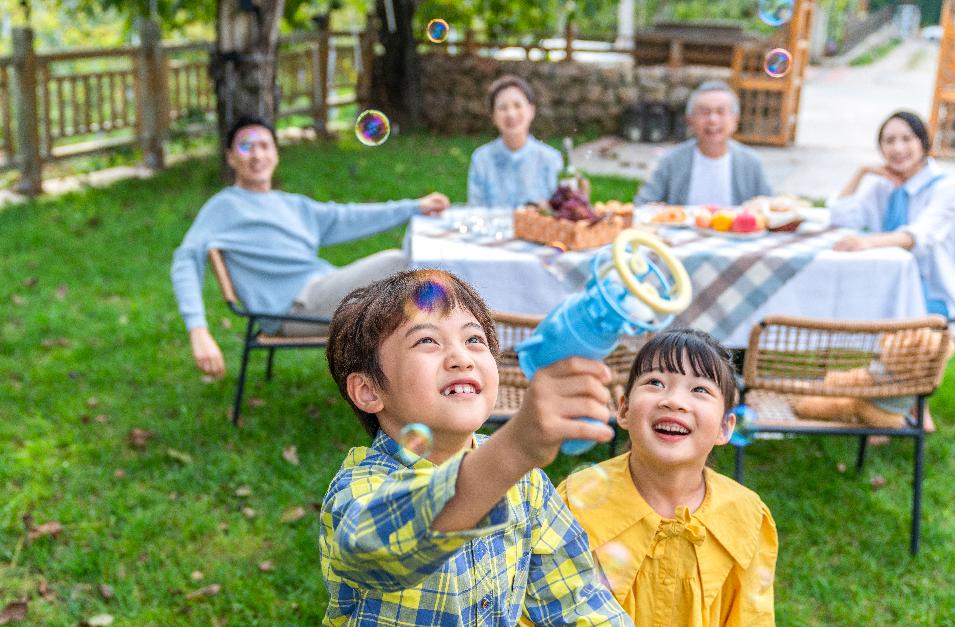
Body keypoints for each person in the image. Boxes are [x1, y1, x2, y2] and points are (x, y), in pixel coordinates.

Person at [318, 268, 630, 626]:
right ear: (370, 391)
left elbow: (576, 601)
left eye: (474, 340)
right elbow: (380, 549)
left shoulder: (525, 483)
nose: (461, 358)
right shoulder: (360, 490)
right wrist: (514, 449)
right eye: (427, 342)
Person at [171, 116, 450, 379]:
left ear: (275, 154)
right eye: (246, 147)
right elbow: (186, 260)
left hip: (320, 290)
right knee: (400, 264)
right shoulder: (224, 206)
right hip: (293, 309)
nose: (257, 155)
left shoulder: (292, 205)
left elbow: (348, 216)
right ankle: (437, 372)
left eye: (264, 146)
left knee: (419, 264)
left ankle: (433, 370)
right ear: (231, 158)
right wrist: (198, 330)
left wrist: (414, 207)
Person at [559, 330, 778, 626]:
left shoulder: (748, 518)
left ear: (725, 428)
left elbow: (751, 618)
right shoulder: (574, 503)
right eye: (655, 383)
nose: (674, 401)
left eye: (699, 390)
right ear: (623, 409)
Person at [829, 110, 955, 323]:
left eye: (907, 139)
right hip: (889, 287)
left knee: (853, 314)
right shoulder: (884, 184)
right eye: (889, 141)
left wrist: (866, 243)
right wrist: (861, 173)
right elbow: (841, 217)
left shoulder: (946, 187)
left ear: (923, 143)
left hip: (935, 299)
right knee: (841, 306)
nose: (898, 148)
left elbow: (917, 237)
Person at [634, 80, 772, 207]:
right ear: (690, 121)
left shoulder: (751, 163)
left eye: (721, 111)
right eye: (704, 112)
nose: (713, 119)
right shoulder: (670, 161)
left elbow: (771, 208)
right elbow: (642, 205)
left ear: (735, 120)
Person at [467, 75, 563, 208]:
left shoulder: (551, 159)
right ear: (493, 116)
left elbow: (560, 212)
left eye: (517, 105)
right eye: (502, 108)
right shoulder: (481, 159)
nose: (511, 114)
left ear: (531, 110)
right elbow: (475, 211)